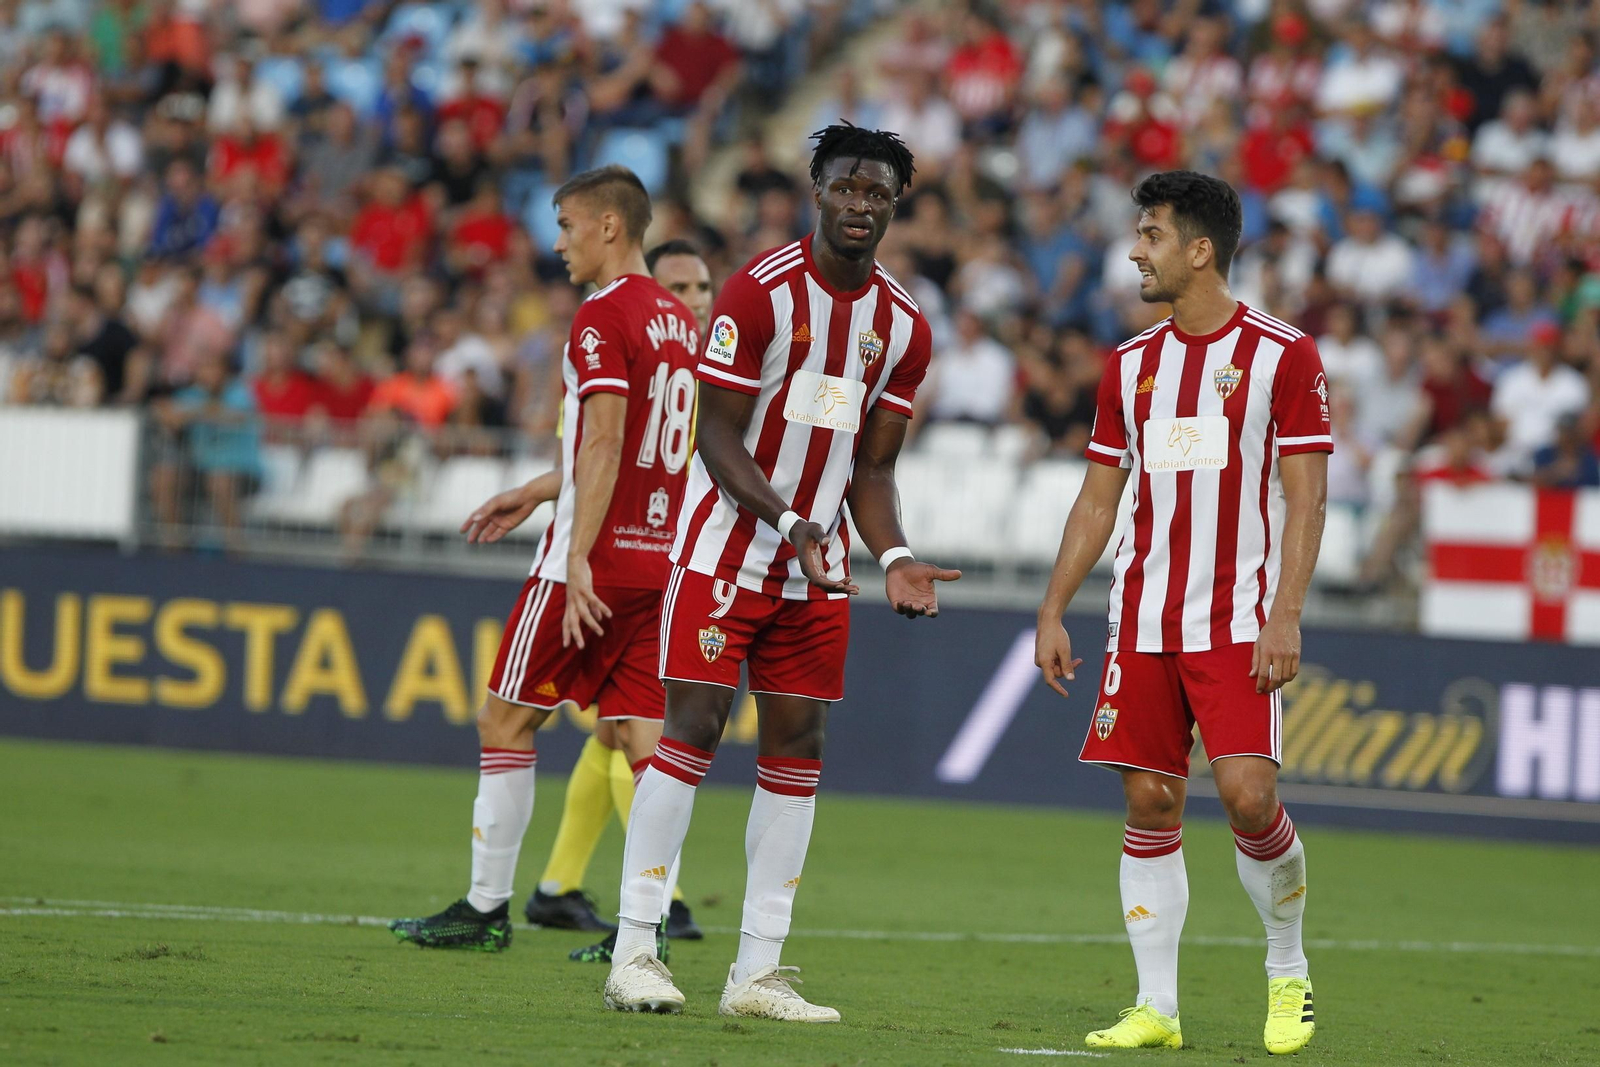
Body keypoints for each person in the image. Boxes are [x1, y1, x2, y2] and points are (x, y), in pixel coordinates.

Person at [602, 124, 961, 1021]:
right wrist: (792, 518)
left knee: (798, 752)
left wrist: (899, 555)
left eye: (878, 194)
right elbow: (716, 433)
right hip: (728, 548)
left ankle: (754, 972)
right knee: (691, 729)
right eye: (847, 187)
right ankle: (634, 950)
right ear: (817, 188)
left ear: (893, 207)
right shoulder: (758, 293)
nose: (861, 205)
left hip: (818, 571)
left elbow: (873, 471)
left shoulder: (903, 328)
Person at [1034, 171, 1330, 1056]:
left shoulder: (1285, 354)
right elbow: (1097, 499)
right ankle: (1155, 1004)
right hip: (1142, 621)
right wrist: (1054, 606)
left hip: (1238, 620)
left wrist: (1286, 613)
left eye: (1151, 234)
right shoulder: (1130, 366)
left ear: (1200, 249)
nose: (1135, 250)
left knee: (1247, 795)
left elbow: (1305, 498)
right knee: (1153, 800)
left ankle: (1288, 969)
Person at [387, 166, 700, 952]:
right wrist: (538, 487)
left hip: (587, 561)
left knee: (505, 716)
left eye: (565, 226)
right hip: (659, 559)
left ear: (607, 227)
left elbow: (601, 440)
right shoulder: (675, 319)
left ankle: (487, 906)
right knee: (641, 738)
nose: (556, 243)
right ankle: (647, 927)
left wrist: (581, 552)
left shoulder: (600, 317)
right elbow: (629, 446)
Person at [523, 239, 719, 961]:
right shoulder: (643, 351)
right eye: (680, 285)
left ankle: (558, 886)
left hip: (673, 557)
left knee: (619, 730)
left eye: (702, 284)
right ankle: (653, 900)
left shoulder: (707, 363)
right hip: (635, 559)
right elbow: (595, 455)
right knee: (632, 728)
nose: (694, 299)